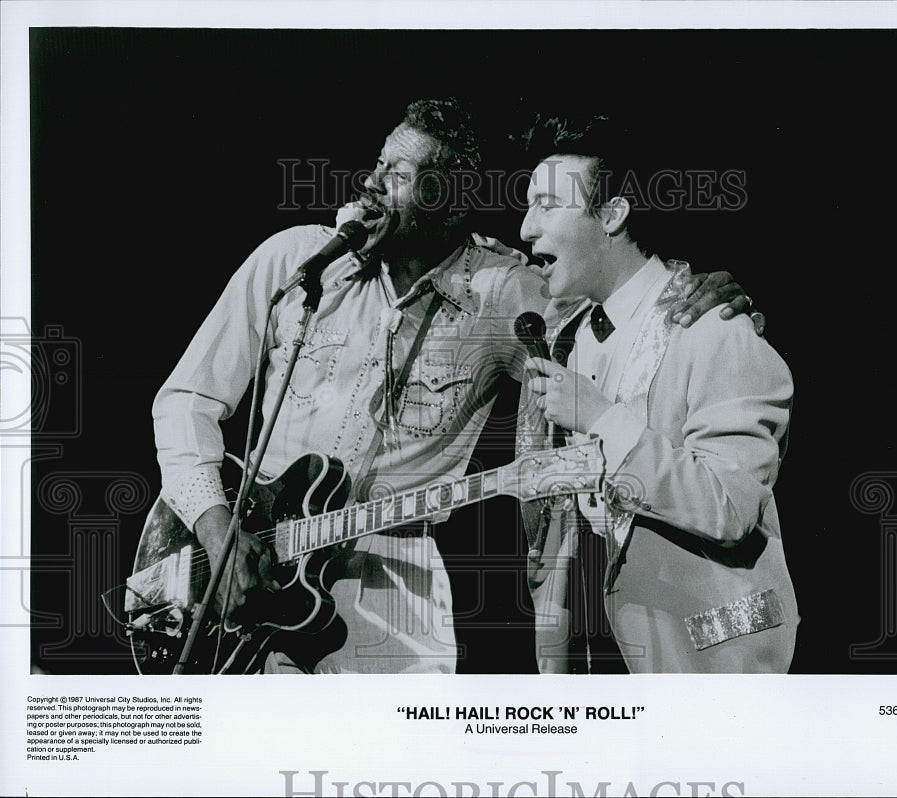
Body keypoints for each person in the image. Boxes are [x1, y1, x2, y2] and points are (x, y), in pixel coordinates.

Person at [151, 98, 752, 674]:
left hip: (392, 608)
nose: (371, 182)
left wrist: (699, 299)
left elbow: (622, 301)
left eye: (399, 174)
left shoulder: (505, 293)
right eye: (379, 163)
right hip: (242, 569)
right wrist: (213, 526)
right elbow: (185, 400)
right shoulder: (296, 263)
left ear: (449, 202)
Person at [519, 116, 798, 673]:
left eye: (548, 206)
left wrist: (603, 421)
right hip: (593, 660)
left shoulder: (714, 326)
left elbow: (731, 507)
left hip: (707, 665)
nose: (526, 228)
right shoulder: (568, 337)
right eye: (528, 207)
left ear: (614, 214)